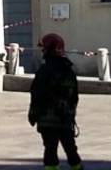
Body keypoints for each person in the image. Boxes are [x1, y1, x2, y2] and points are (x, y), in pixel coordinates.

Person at [28, 33, 83, 170]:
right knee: (71, 149)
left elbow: (37, 94)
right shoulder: (68, 70)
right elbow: (74, 96)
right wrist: (71, 113)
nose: (42, 52)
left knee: (50, 150)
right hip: (65, 117)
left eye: (44, 49)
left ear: (49, 50)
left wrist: (33, 114)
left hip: (47, 118)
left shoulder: (44, 71)